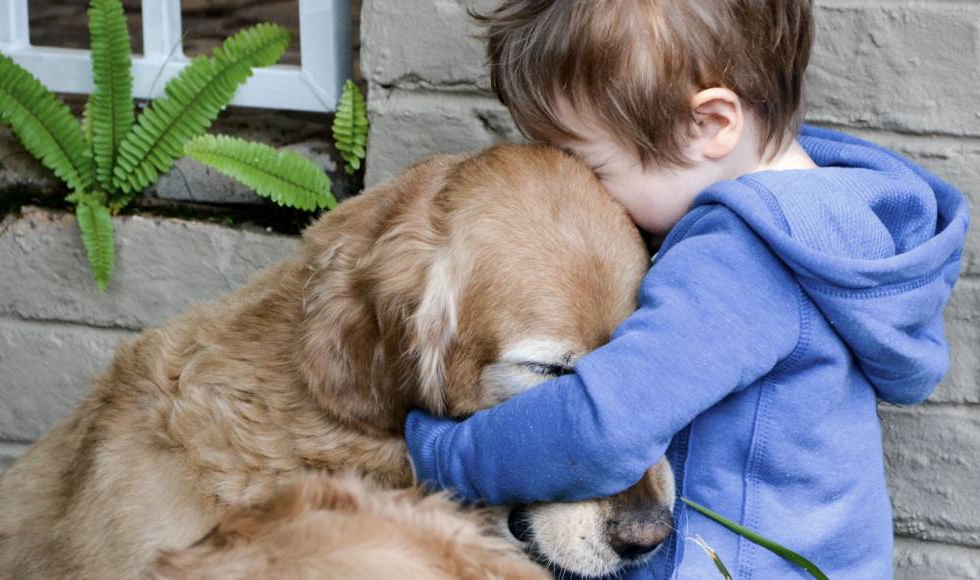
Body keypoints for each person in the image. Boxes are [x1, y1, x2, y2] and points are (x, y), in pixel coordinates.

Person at [403, 1, 971, 578]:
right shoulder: (825, 223)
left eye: (588, 167)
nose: (582, 198)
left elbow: (603, 427)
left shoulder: (741, 261)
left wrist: (443, 455)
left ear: (712, 125)